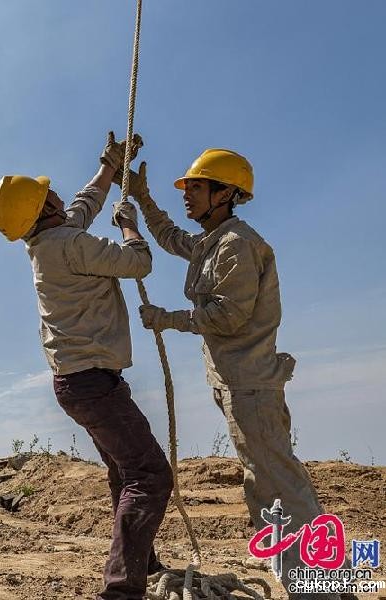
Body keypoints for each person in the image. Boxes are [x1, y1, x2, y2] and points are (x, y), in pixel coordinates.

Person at [128, 150, 339, 599]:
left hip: (251, 387)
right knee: (272, 486)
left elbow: (229, 316)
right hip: (240, 385)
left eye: (197, 188)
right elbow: (169, 237)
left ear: (225, 194)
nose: (187, 195)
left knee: (276, 490)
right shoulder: (214, 241)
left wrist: (167, 318)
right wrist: (142, 198)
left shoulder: (236, 245)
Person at [0, 133, 173, 600]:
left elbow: (84, 203)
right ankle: (121, 589)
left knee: (124, 470)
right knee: (149, 476)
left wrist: (111, 166)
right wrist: (130, 224)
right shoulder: (70, 246)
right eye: (47, 193)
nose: (56, 192)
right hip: (94, 383)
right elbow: (139, 263)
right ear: (43, 207)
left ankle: (142, 565)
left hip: (79, 382)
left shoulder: (50, 240)